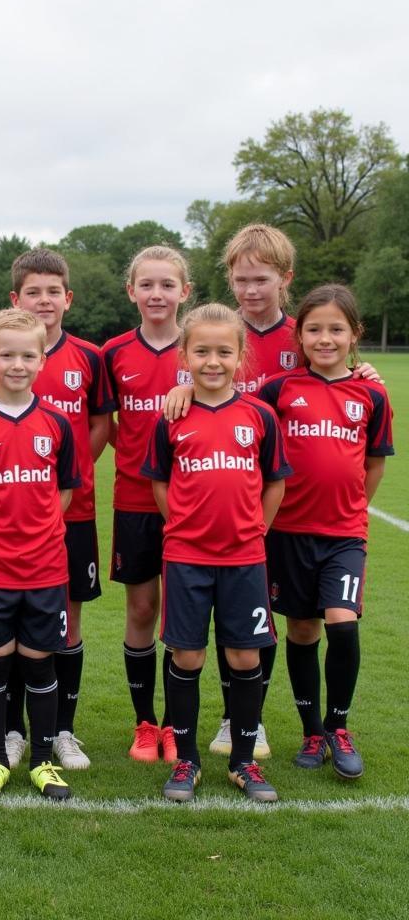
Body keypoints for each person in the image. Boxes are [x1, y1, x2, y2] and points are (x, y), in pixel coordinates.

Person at [164, 224, 381, 761]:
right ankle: (234, 721)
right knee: (243, 622)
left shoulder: (298, 334)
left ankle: (273, 723)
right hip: (247, 516)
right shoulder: (224, 331)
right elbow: (213, 376)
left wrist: (363, 371)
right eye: (240, 280)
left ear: (284, 279)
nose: (249, 290)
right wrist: (186, 383)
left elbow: (341, 395)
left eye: (260, 279)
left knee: (257, 626)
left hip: (300, 513)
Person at [142, 303, 290, 802]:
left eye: (224, 351)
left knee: (245, 654)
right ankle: (186, 762)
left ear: (240, 355)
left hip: (245, 557)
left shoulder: (259, 416)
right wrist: (183, 523)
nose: (212, 361)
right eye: (201, 350)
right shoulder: (172, 416)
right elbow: (160, 483)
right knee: (188, 654)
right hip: (186, 556)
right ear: (184, 354)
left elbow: (275, 483)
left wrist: (257, 529)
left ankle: (244, 762)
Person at [258, 285, 393, 779]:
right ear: (300, 334)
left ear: (354, 334)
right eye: (314, 328)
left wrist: (354, 510)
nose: (325, 338)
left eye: (337, 328)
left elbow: (374, 464)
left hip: (343, 535)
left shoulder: (371, 394)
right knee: (302, 628)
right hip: (288, 532)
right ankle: (312, 729)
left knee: (342, 621)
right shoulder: (279, 390)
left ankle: (338, 727)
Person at [0, 309, 79, 800]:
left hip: (46, 567)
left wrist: (38, 531)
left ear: (43, 359)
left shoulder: (57, 424)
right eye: (6, 354)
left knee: (39, 663)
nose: (17, 364)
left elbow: (63, 494)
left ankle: (44, 763)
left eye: (29, 354)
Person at [5, 248, 113, 770]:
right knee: (8, 622)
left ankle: (62, 731)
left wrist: (63, 473)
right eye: (33, 292)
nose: (43, 301)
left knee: (66, 621)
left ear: (68, 298)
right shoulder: (4, 351)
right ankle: (11, 730)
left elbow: (100, 425)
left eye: (53, 292)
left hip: (73, 513)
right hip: (9, 516)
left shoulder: (89, 357)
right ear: (15, 299)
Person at [102, 245, 192, 764]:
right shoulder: (113, 352)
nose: (157, 294)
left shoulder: (200, 345)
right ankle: (145, 723)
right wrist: (141, 454)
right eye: (147, 284)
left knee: (182, 613)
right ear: (131, 291)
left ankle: (178, 726)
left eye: (167, 284)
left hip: (192, 504)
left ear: (185, 291)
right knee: (141, 608)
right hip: (134, 500)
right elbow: (108, 424)